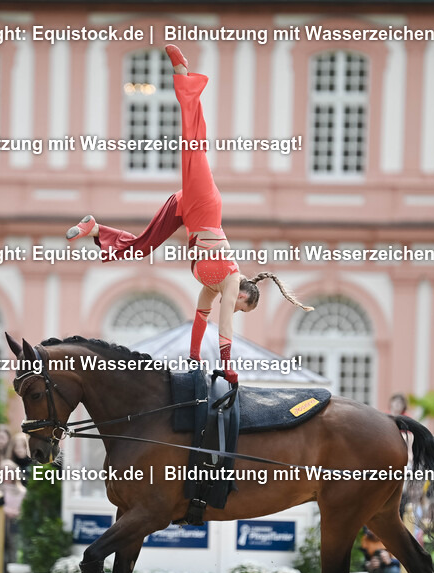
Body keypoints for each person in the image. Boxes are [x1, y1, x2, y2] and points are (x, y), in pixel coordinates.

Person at [66, 45, 312, 382]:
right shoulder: (228, 281)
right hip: (205, 205)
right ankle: (184, 75)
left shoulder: (210, 289)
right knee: (193, 143)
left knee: (145, 245)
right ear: (243, 294)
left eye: (238, 309)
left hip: (189, 214)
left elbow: (201, 320)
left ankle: (95, 230)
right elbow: (224, 324)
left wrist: (195, 358)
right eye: (242, 307)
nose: (236, 311)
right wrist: (227, 365)